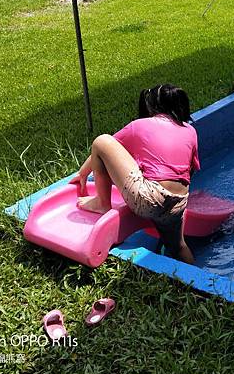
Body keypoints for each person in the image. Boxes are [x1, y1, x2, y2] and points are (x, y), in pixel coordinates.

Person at [71, 84, 200, 265]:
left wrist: (83, 173)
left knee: (101, 140)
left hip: (150, 197)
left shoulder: (139, 125)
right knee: (178, 246)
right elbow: (190, 170)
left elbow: (102, 148)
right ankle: (198, 280)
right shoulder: (190, 130)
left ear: (151, 107)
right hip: (179, 202)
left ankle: (101, 203)